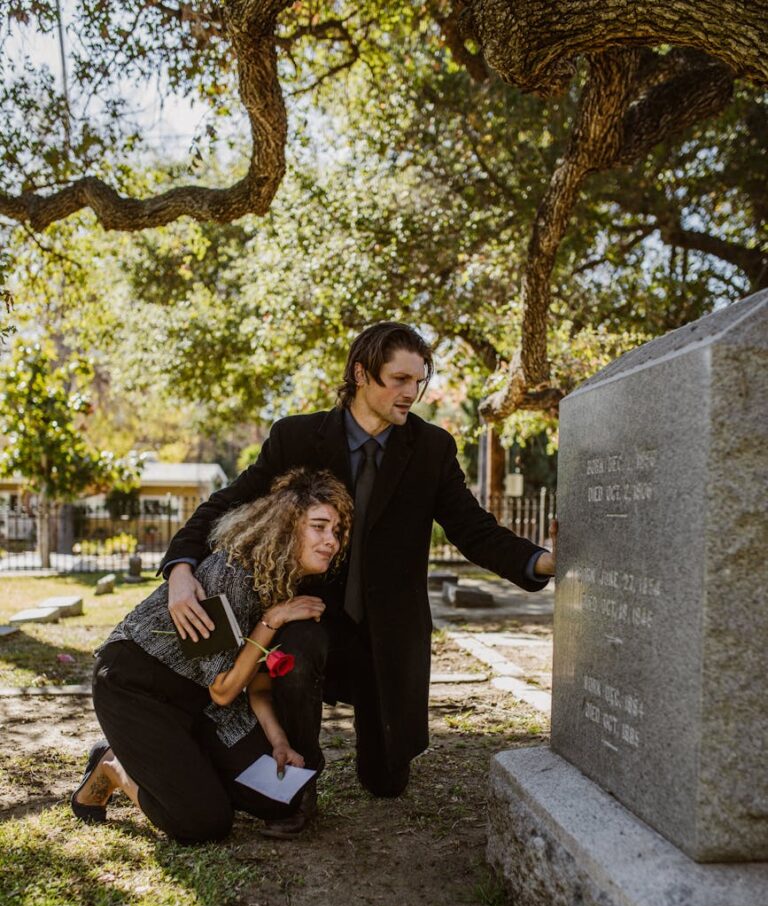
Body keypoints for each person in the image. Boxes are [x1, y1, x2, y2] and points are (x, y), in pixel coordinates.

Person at [163, 321, 556, 804]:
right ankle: (297, 789)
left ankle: (378, 752)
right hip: (312, 616)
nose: (412, 392)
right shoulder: (297, 438)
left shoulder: (431, 449)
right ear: (361, 373)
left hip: (390, 631)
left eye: (419, 380)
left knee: (385, 783)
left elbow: (474, 530)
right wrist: (180, 567)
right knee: (297, 652)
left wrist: (542, 563)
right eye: (399, 379)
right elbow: (227, 504)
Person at [71, 468, 353, 843]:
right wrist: (271, 620)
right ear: (287, 526)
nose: (331, 541)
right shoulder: (231, 573)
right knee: (202, 823)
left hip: (197, 701)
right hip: (136, 687)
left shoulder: (281, 580)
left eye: (336, 531)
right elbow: (223, 689)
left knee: (279, 797)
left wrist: (280, 741)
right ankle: (113, 766)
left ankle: (185, 768)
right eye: (319, 527)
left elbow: (256, 684)